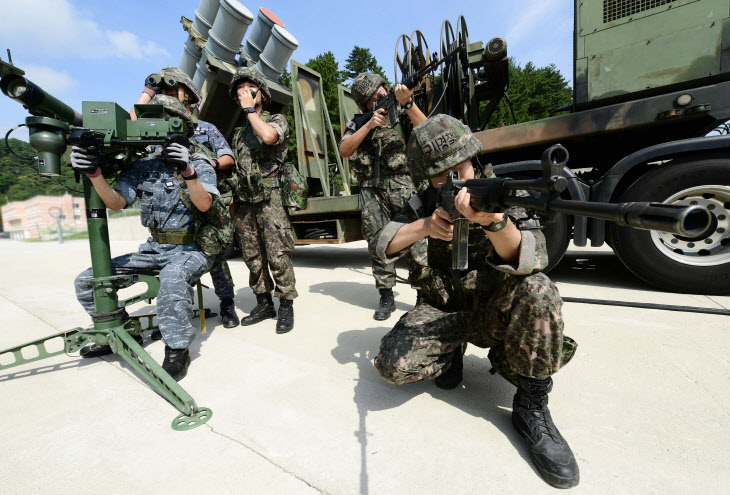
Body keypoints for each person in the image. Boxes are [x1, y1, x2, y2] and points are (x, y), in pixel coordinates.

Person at [372, 114, 580, 488]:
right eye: (440, 174)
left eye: (460, 166)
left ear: (473, 158)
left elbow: (533, 259)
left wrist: (495, 223)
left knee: (539, 289)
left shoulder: (499, 192)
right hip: (441, 309)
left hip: (492, 311)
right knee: (393, 365)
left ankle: (531, 407)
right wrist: (425, 226)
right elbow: (381, 244)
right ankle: (449, 353)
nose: (452, 178)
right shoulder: (422, 203)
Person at [71, 95, 219, 381]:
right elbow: (116, 202)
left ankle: (177, 349)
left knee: (173, 277)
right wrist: (94, 173)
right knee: (86, 281)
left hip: (191, 247)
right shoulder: (141, 167)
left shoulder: (198, 163)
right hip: (153, 248)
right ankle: (123, 331)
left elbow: (204, 204)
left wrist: (187, 171)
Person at [131, 66, 240, 328]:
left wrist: (205, 165)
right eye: (163, 90)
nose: (167, 93)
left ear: (189, 96)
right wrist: (147, 93)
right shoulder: (154, 127)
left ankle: (227, 303)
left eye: (173, 89)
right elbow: (128, 125)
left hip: (205, 195)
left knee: (214, 253)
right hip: (173, 202)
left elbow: (228, 158)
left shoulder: (204, 128)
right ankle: (177, 309)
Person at [339, 72, 428, 321]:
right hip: (371, 189)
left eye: (381, 90)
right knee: (378, 241)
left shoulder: (402, 112)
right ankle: (386, 295)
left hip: (404, 184)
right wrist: (369, 124)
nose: (379, 96)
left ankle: (424, 293)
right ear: (364, 105)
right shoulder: (360, 121)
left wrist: (408, 104)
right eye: (371, 97)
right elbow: (345, 149)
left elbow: (427, 129)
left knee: (418, 239)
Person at [228, 66, 297, 334]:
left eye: (249, 88)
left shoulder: (276, 120)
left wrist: (249, 112)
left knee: (278, 254)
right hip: (246, 201)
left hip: (271, 199)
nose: (243, 92)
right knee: (252, 256)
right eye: (239, 90)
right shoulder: (237, 133)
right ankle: (263, 303)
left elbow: (269, 137)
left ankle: (286, 305)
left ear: (262, 95)